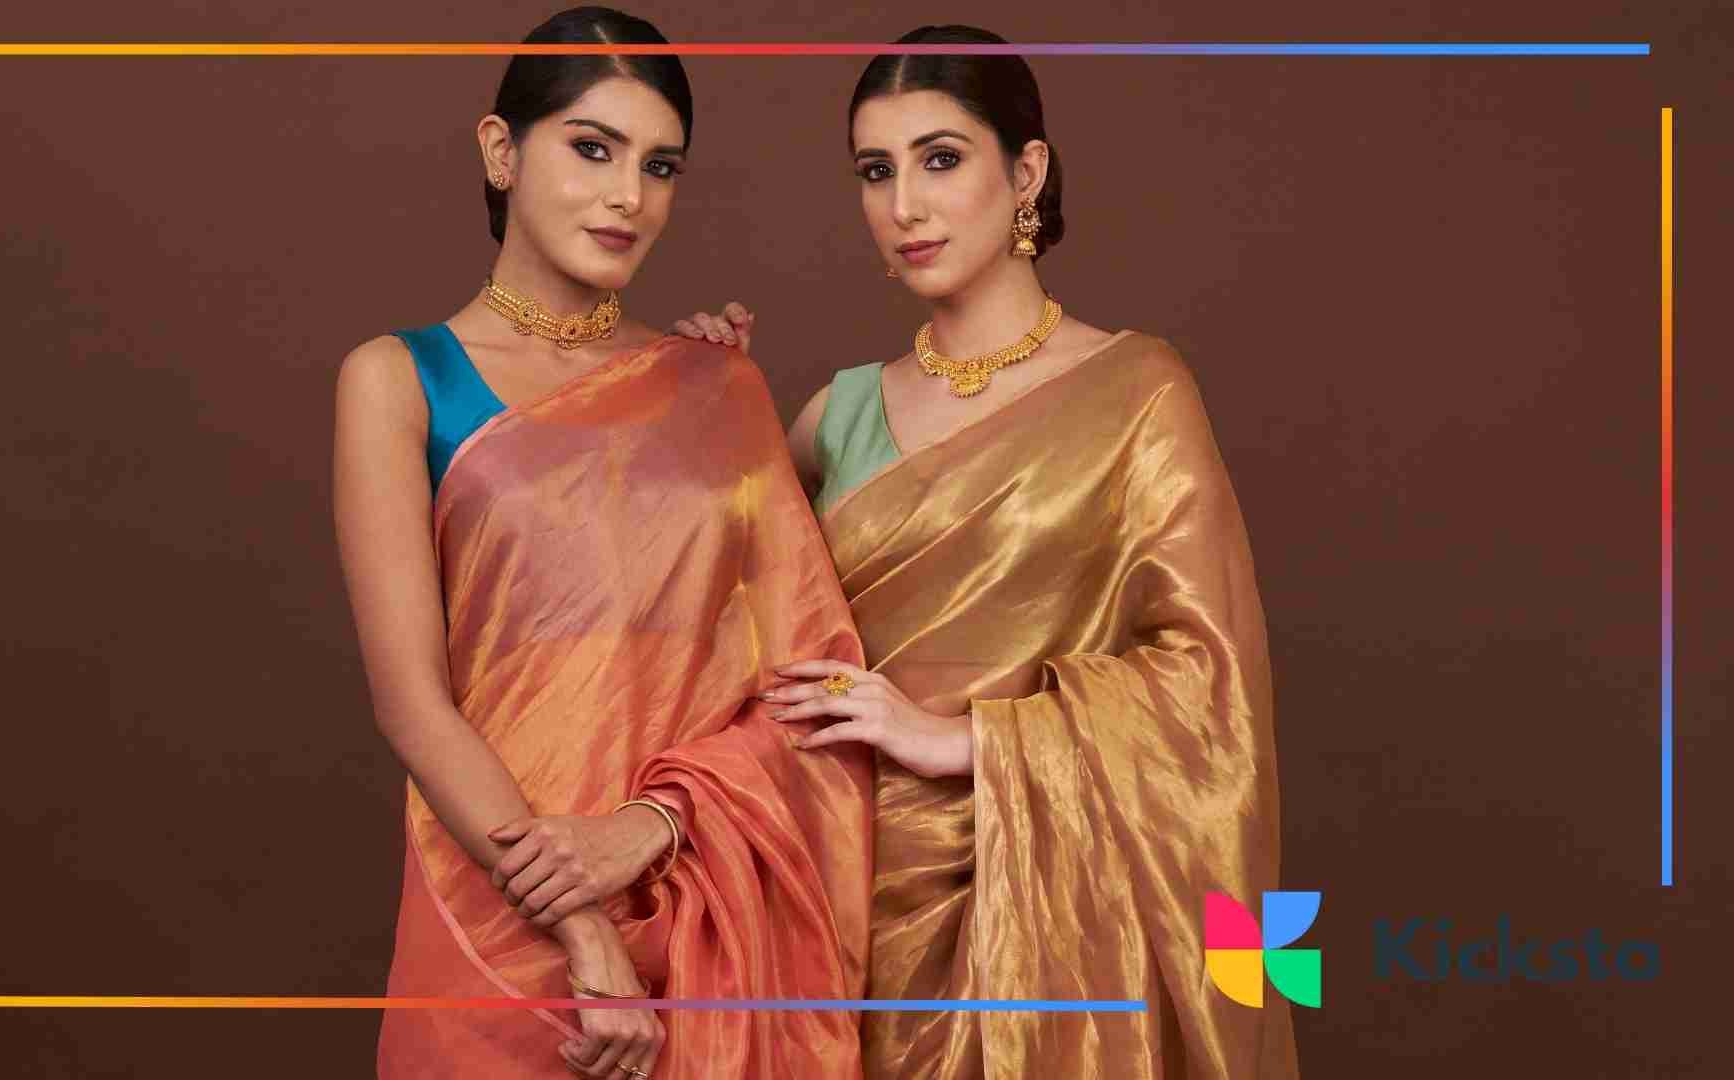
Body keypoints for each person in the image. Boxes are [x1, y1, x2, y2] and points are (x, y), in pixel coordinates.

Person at [675, 25, 1299, 1079]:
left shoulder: (1138, 391)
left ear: (1027, 172)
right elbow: (715, 632)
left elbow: (1208, 682)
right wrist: (696, 414)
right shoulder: (839, 413)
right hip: (839, 903)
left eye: (941, 158)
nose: (903, 205)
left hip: (1047, 902)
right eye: (876, 171)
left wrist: (966, 742)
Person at [333, 9, 873, 1078]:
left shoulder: (714, 386)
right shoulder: (397, 381)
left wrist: (658, 827)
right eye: (592, 147)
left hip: (703, 918)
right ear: (501, 150)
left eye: (659, 164)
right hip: (495, 926)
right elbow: (412, 701)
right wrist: (582, 934)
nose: (629, 195)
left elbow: (808, 679)